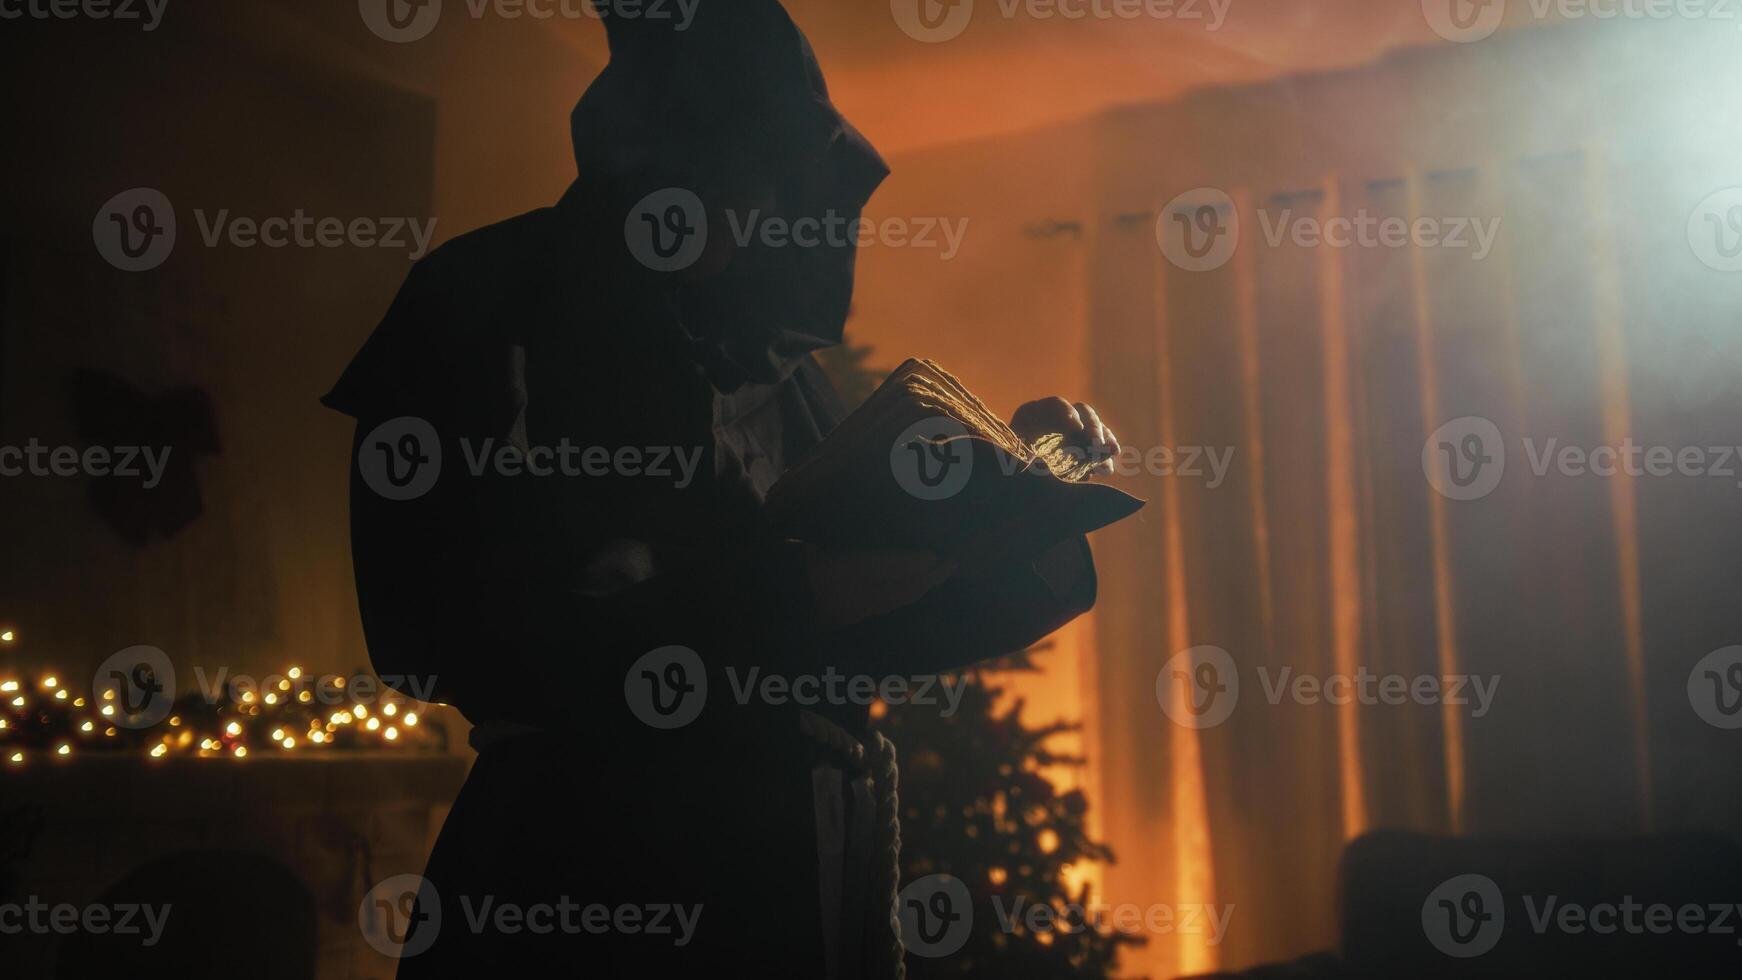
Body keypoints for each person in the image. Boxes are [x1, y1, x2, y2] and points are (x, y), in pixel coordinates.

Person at [323, 2, 1120, 975]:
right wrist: (792, 594)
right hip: (582, 880)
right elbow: (455, 638)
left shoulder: (763, 352)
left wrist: (1004, 486)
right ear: (649, 153)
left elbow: (870, 621)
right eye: (728, 169)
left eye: (774, 182)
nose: (752, 212)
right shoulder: (483, 305)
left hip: (797, 871)